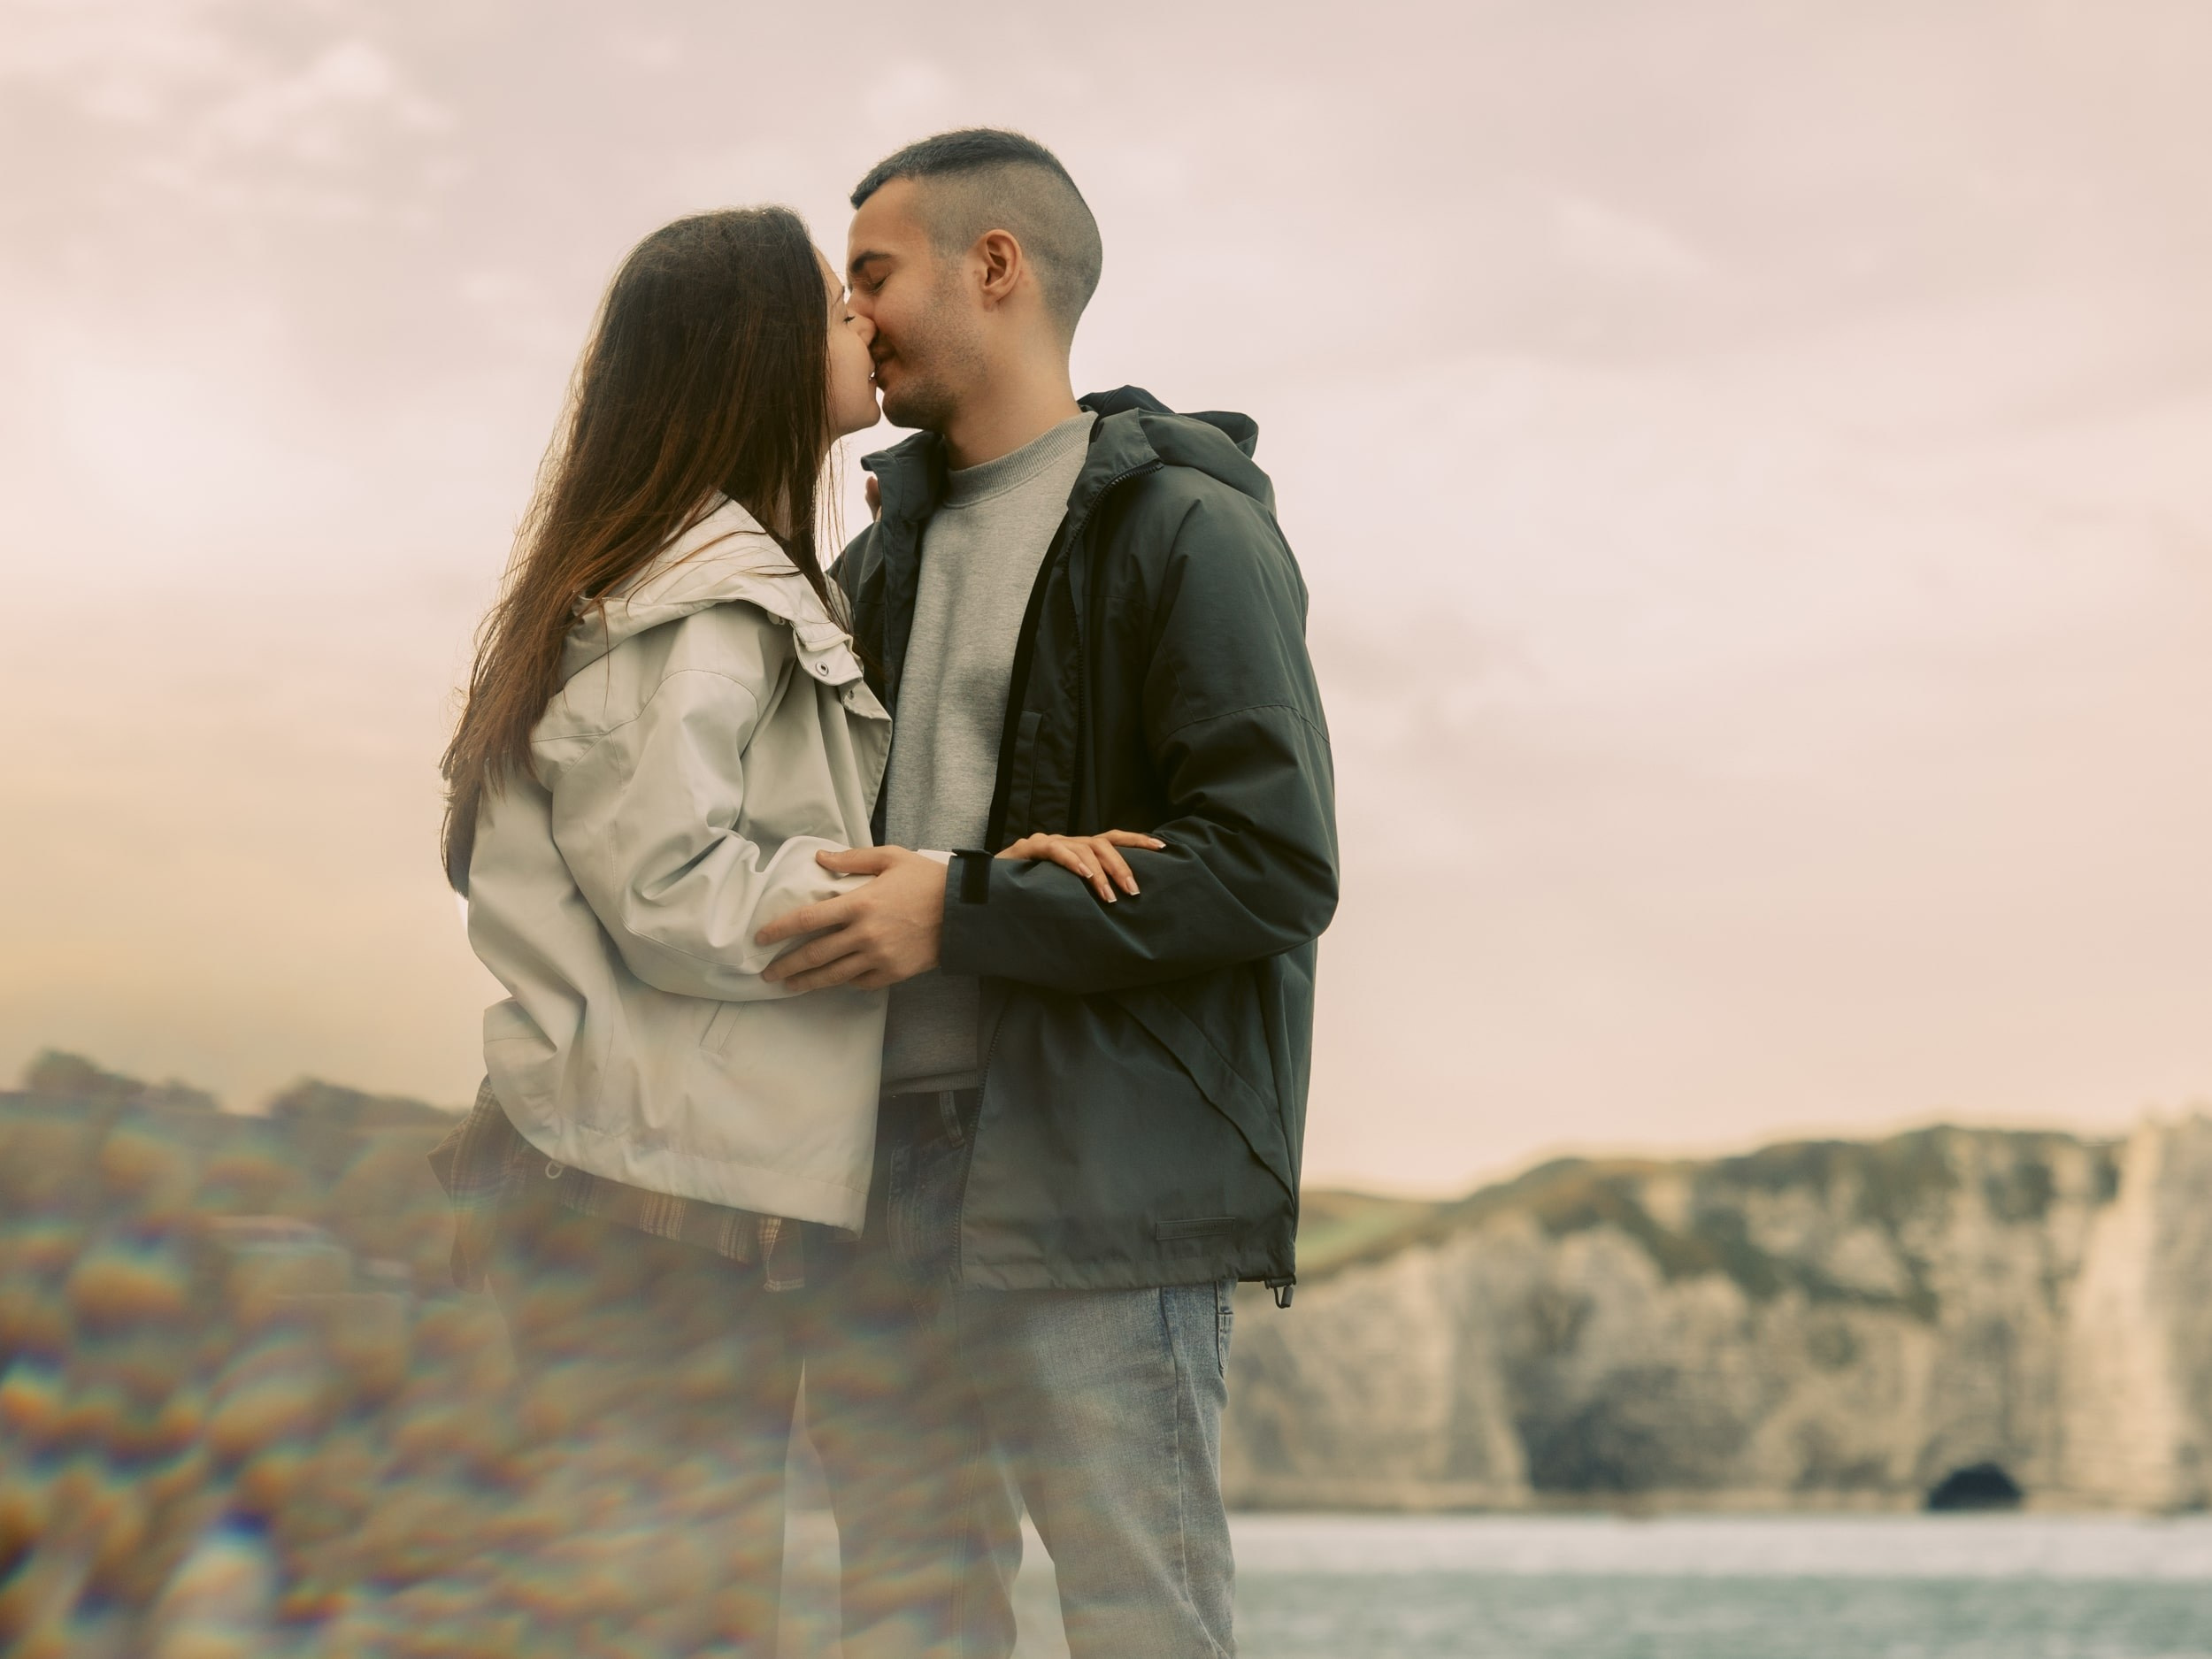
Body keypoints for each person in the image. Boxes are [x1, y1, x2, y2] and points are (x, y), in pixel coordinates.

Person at [753, 130, 1339, 1658]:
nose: (854, 312)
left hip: (1093, 1185)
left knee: (1142, 1620)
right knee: (907, 1623)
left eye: (871, 273)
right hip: (875, 1175)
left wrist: (960, 907)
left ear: (993, 267)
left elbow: (1275, 866)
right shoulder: (877, 556)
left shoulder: (1188, 529)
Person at [430, 205, 902, 1655]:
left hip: (635, 1195)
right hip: (643, 1212)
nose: (867, 327)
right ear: (760, 354)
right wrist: (927, 897)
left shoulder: (680, 574)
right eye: (837, 308)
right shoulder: (709, 599)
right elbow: (668, 885)